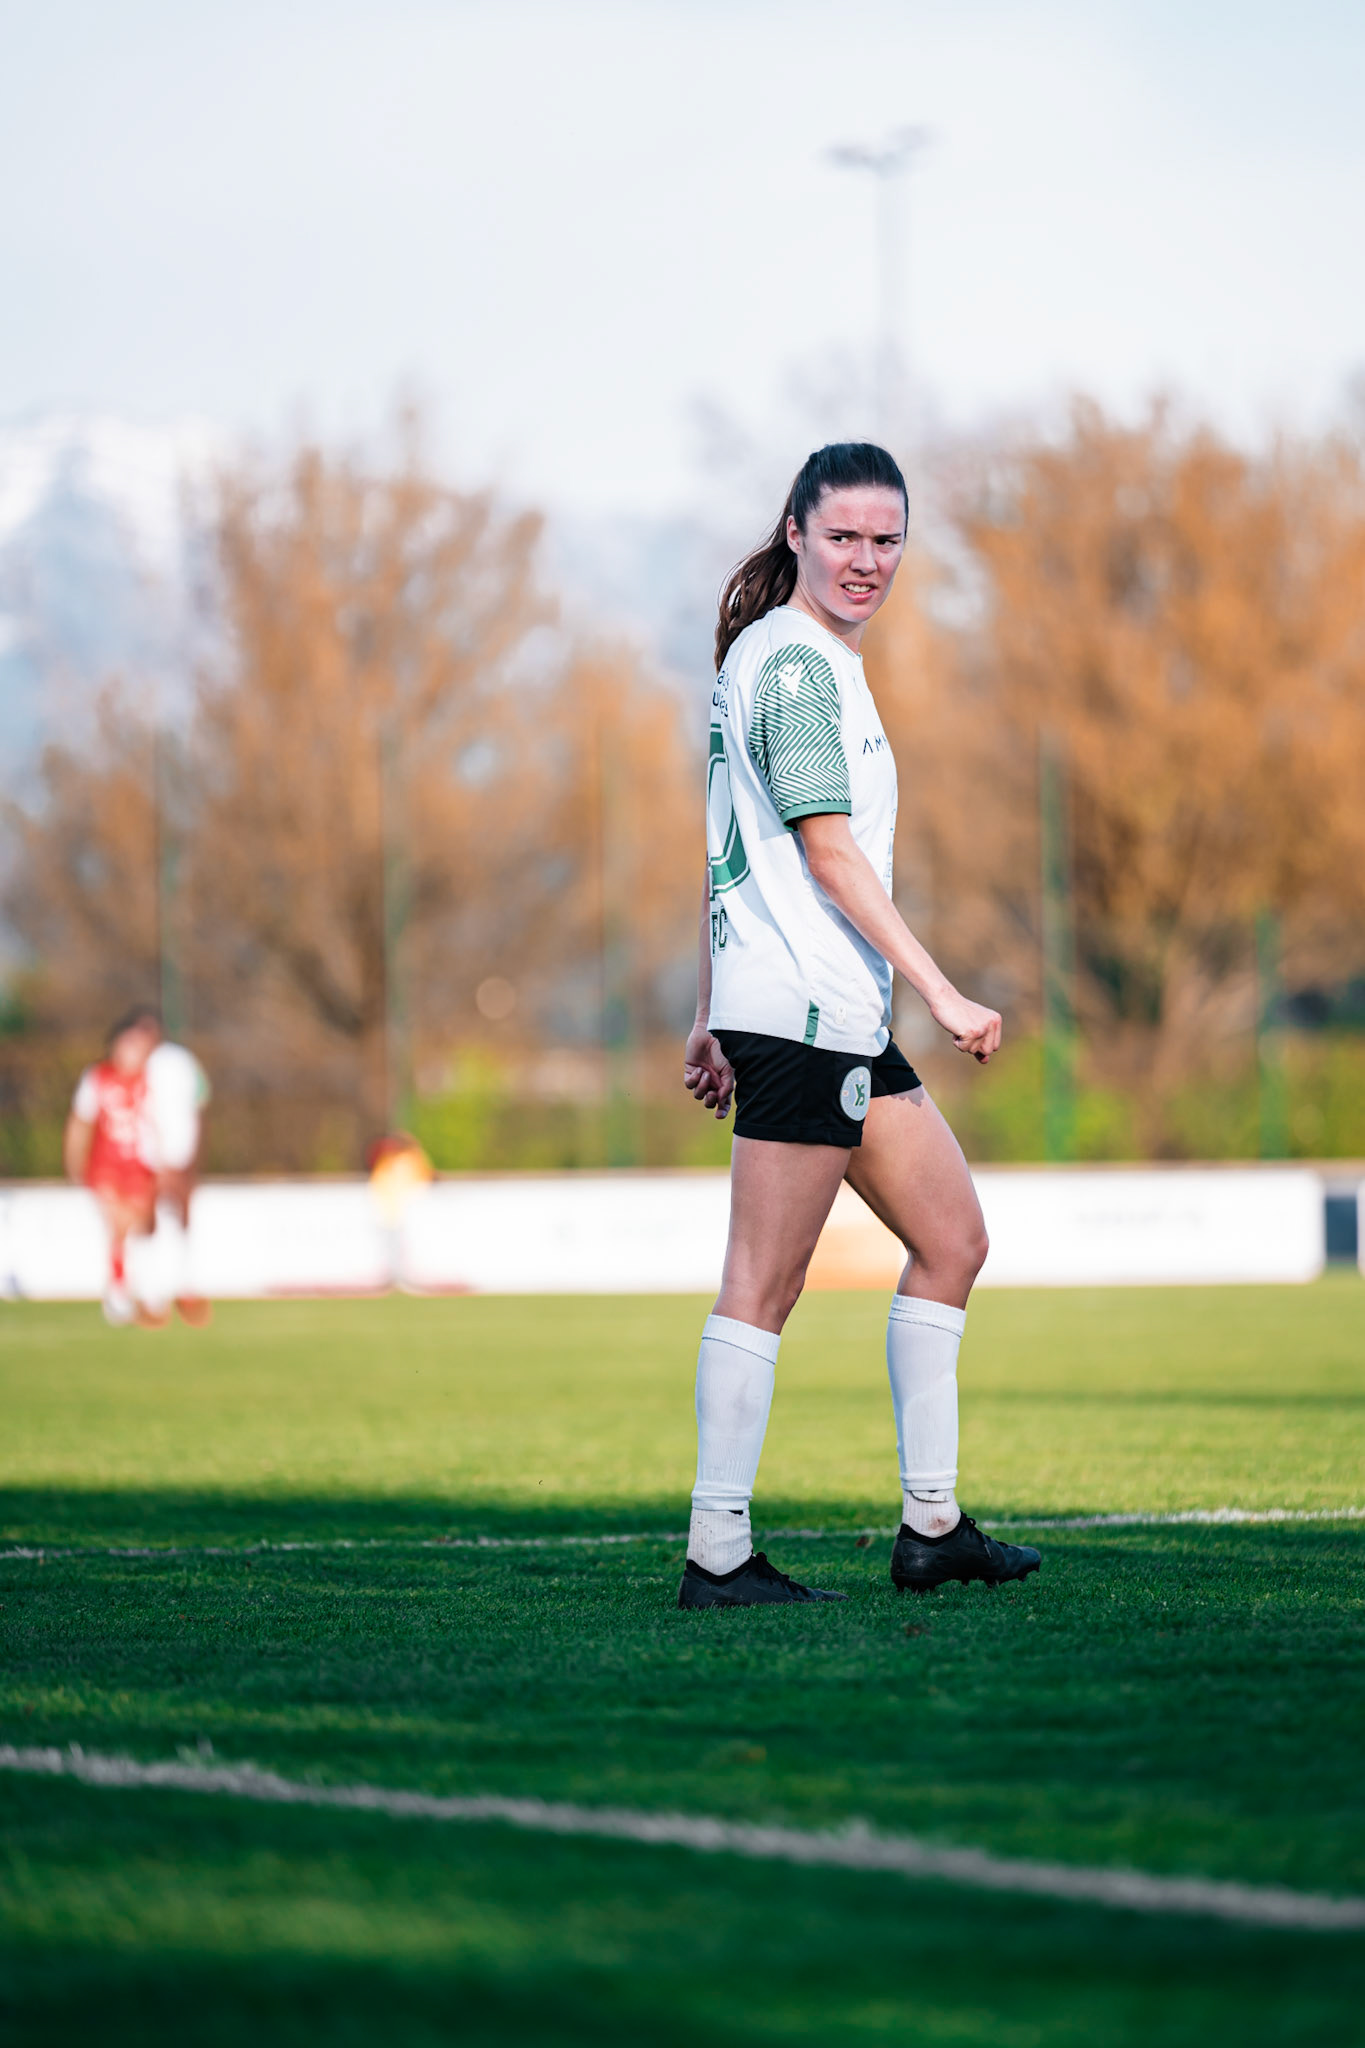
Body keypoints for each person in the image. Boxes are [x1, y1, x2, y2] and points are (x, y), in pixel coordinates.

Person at [679, 441, 1041, 1608]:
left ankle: (931, 1524)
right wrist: (941, 991)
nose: (867, 558)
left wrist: (701, 1011)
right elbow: (824, 853)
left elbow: (725, 856)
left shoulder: (804, 659)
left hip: (826, 1014)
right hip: (803, 1018)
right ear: (794, 530)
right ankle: (718, 1552)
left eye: (887, 539)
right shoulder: (792, 666)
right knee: (763, 1283)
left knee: (954, 1237)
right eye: (843, 535)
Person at [64, 1006, 162, 1325]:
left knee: (144, 1227)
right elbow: (81, 1122)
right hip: (107, 1165)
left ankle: (148, 1292)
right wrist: (74, 1160)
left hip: (143, 1166)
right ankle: (119, 1295)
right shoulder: (98, 1078)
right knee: (118, 1227)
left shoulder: (155, 1079)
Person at [140, 1032, 213, 1325]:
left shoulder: (157, 1062)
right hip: (171, 1153)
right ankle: (163, 1296)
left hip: (162, 1154)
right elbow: (202, 1096)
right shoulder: (182, 1060)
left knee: (162, 1225)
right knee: (166, 1224)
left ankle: (166, 1297)